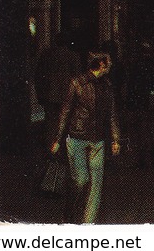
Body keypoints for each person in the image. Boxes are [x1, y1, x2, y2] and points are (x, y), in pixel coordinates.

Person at [51, 51, 121, 224]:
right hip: (77, 138)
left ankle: (88, 225)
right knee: (81, 180)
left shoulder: (107, 85)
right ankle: (69, 209)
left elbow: (112, 113)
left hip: (98, 140)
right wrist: (58, 140)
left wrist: (115, 139)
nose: (111, 65)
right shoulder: (77, 83)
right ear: (101, 65)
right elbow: (65, 112)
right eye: (108, 62)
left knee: (96, 185)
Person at [35, 37, 81, 153]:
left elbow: (39, 75)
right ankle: (64, 149)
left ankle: (51, 148)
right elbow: (77, 77)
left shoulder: (46, 55)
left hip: (49, 95)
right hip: (67, 95)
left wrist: (40, 94)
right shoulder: (73, 56)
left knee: (50, 122)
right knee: (66, 121)